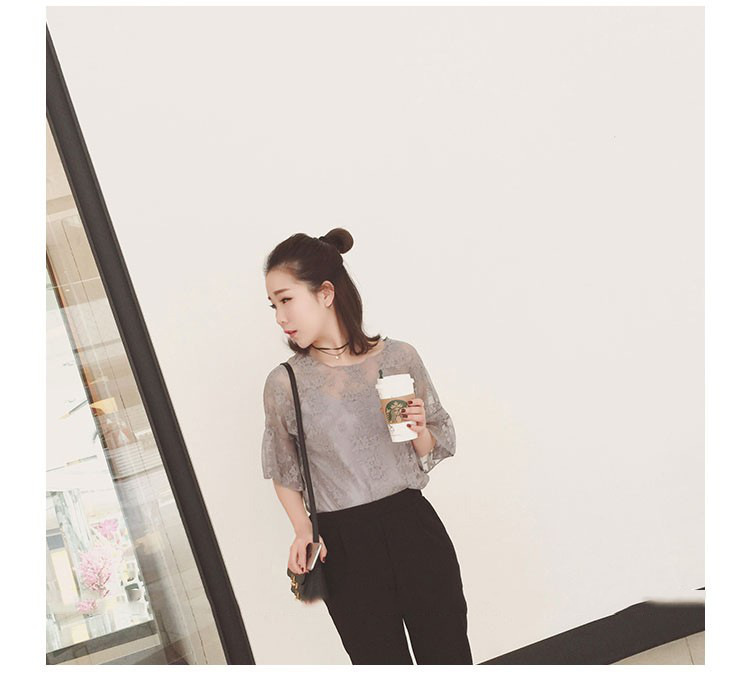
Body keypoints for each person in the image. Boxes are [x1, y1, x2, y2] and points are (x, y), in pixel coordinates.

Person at [261, 227, 472, 665]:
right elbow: (284, 470)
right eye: (273, 305)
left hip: (413, 526)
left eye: (286, 300)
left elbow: (435, 444)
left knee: (448, 655)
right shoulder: (286, 383)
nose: (280, 317)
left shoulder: (399, 357)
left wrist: (419, 429)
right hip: (344, 545)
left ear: (325, 293)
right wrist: (303, 529)